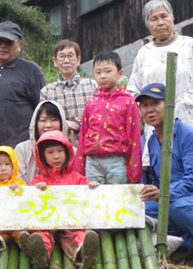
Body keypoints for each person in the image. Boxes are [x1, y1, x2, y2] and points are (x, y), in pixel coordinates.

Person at [135, 83, 193, 269]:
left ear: (168, 105)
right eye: (145, 105)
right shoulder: (152, 141)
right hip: (170, 199)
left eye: (155, 103)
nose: (150, 110)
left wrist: (163, 193)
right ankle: (188, 244)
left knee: (178, 206)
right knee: (138, 211)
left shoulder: (189, 134)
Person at [126, 0, 193, 135]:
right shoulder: (144, 53)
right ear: (148, 25)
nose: (160, 23)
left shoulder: (189, 45)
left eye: (164, 16)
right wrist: (139, 119)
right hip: (155, 128)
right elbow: (133, 91)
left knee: (189, 153)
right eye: (154, 19)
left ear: (172, 18)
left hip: (188, 117)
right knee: (157, 155)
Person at [24, 130, 100, 269]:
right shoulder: (39, 179)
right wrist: (37, 188)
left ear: (68, 152)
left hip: (71, 221)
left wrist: (91, 186)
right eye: (50, 152)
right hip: (47, 221)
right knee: (41, 234)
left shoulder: (76, 177)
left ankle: (84, 252)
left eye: (60, 151)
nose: (56, 156)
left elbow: (85, 193)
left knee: (77, 235)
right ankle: (41, 255)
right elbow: (29, 198)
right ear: (42, 156)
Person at [0, 21, 45, 160]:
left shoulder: (32, 71)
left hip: (20, 152)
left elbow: (41, 110)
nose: (2, 46)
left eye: (8, 42)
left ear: (19, 45)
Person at [76, 51, 142, 185]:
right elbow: (83, 134)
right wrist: (80, 167)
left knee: (116, 200)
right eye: (98, 72)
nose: (103, 76)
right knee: (94, 200)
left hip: (116, 160)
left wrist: (134, 170)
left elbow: (134, 136)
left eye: (108, 71)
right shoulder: (91, 102)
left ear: (120, 73)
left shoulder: (128, 101)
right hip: (92, 161)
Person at [40, 40, 97, 145]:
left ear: (78, 60)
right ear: (55, 61)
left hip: (89, 146)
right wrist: (65, 124)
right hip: (60, 149)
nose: (66, 61)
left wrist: (79, 124)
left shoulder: (92, 86)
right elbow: (45, 123)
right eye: (61, 56)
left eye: (71, 56)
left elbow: (100, 117)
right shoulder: (47, 91)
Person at [14, 100, 70, 183]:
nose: (48, 125)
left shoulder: (72, 151)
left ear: (62, 123)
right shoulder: (22, 149)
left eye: (54, 120)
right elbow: (18, 180)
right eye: (43, 120)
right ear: (35, 124)